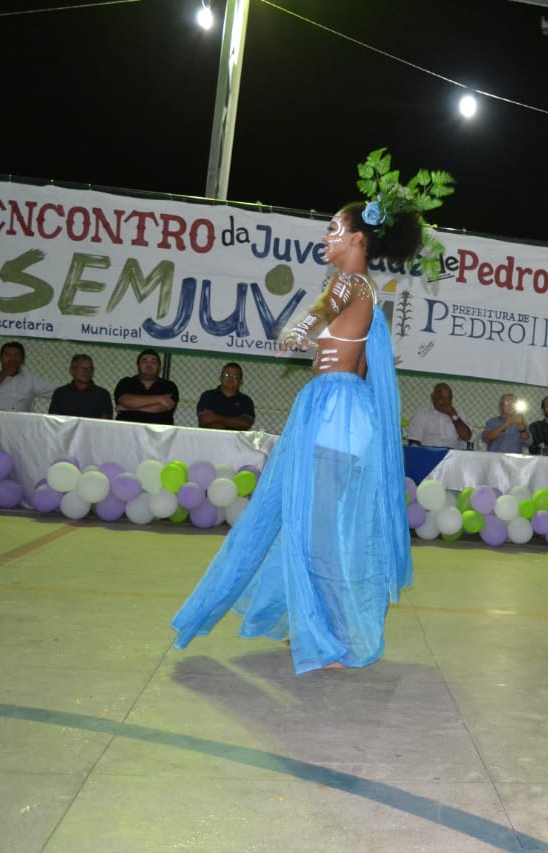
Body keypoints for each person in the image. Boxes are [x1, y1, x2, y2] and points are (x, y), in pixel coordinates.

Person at [172, 148, 450, 673]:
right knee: (315, 526)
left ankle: (341, 636)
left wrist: (302, 326)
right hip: (334, 411)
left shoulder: (354, 284)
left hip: (337, 415)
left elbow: (330, 302)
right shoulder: (353, 289)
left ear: (358, 240)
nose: (325, 238)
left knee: (324, 531)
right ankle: (319, 624)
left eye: (333, 230)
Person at [0, 341, 59, 412]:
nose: (12, 358)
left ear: (23, 360)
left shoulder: (31, 379)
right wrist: (5, 373)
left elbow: (59, 392)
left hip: (20, 426)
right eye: (8, 355)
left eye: (16, 355)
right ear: (0, 358)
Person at [113, 350, 179, 425]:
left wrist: (129, 408)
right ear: (138, 366)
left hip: (159, 433)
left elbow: (161, 408)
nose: (149, 365)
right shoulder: (126, 383)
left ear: (160, 367)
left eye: (153, 362)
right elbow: (125, 401)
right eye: (144, 361)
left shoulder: (169, 386)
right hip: (127, 431)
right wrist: (160, 399)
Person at [405, 382, 472, 449]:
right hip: (428, 455)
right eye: (441, 398)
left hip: (453, 456)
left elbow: (467, 437)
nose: (446, 402)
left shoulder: (459, 413)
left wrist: (454, 415)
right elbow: (413, 442)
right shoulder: (421, 415)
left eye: (449, 398)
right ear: (432, 397)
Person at [48, 353, 113, 419]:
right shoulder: (60, 393)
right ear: (71, 371)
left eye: (90, 369)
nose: (87, 372)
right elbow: (53, 419)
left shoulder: (102, 394)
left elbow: (105, 421)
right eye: (82, 368)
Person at [196, 362, 256, 431]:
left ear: (241, 381)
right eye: (227, 375)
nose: (230, 379)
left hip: (236, 440)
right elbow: (205, 420)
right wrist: (234, 424)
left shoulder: (246, 401)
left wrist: (215, 418)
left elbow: (245, 424)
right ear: (220, 378)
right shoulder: (208, 396)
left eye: (235, 376)